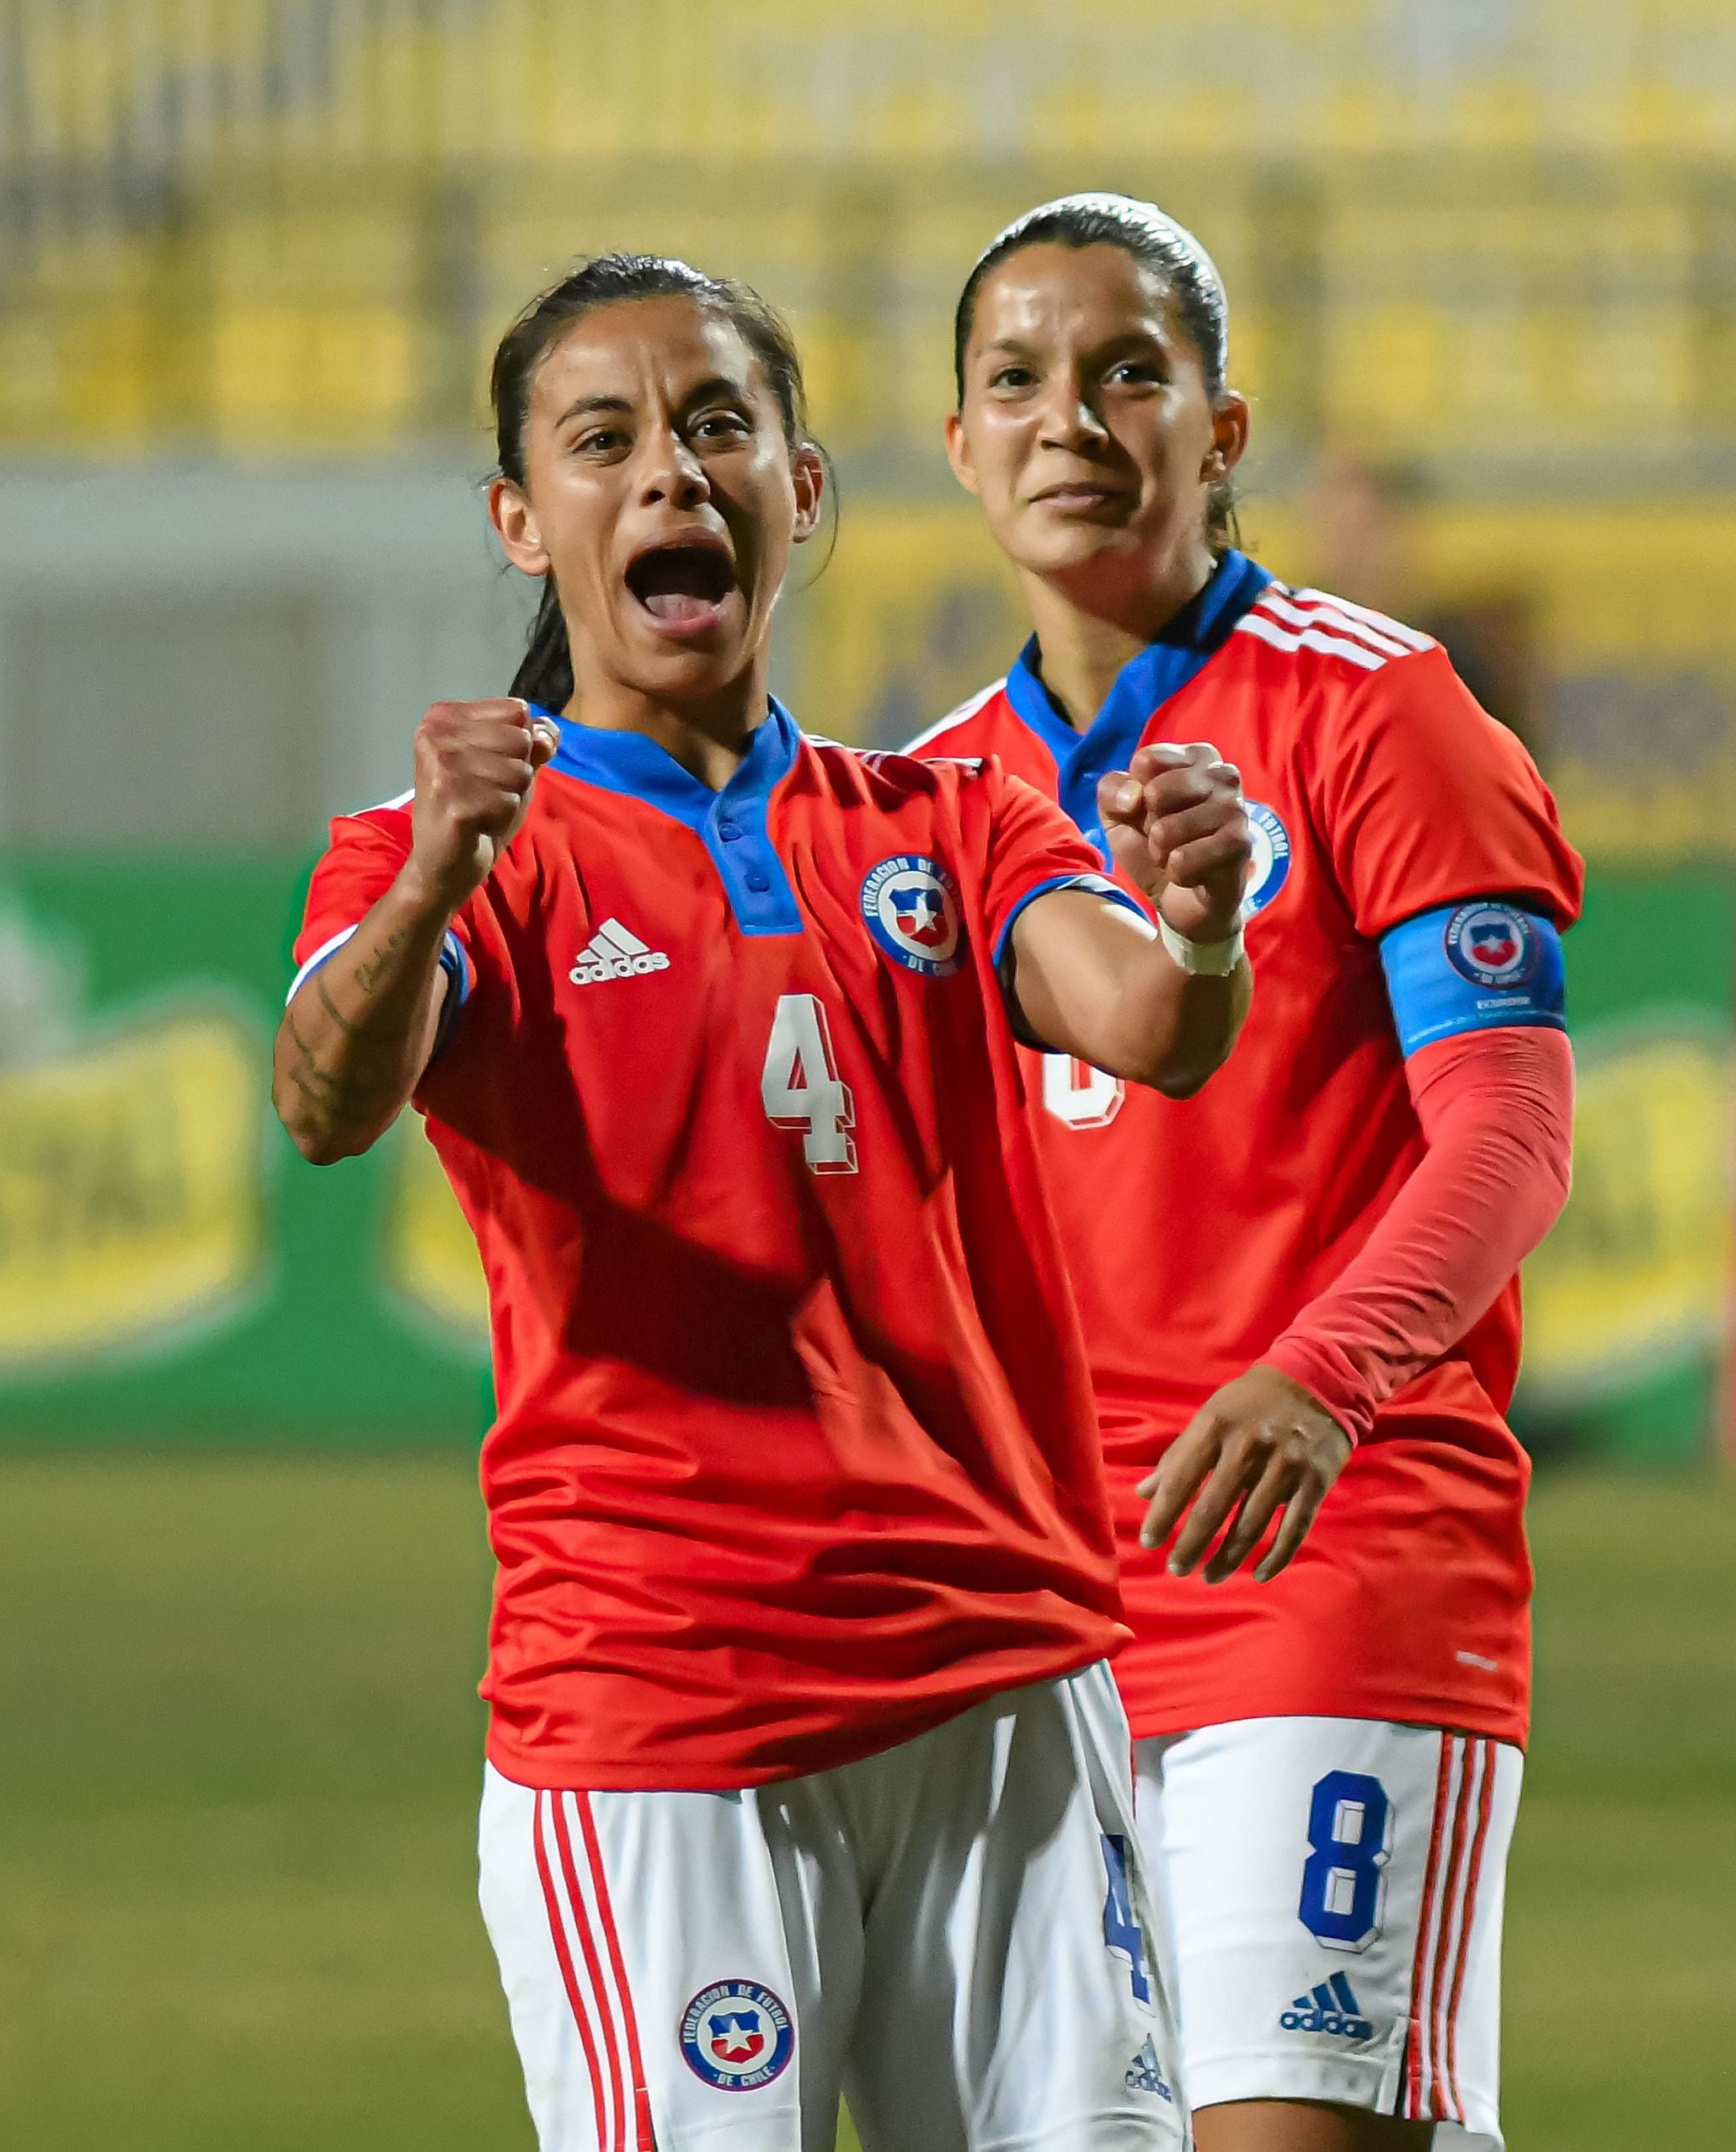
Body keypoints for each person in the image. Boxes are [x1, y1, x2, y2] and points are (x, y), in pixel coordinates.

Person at [271, 252, 1258, 2152]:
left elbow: (1150, 1025)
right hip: (669, 1718)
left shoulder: (948, 822)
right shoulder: (453, 856)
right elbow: (328, 1099)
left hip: (1007, 1687)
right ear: (518, 517)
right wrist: (423, 898)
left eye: (719, 426)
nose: (669, 473)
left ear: (802, 493)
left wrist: (1203, 928)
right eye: (604, 439)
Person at [913, 197, 1585, 2152]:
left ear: (1220, 430)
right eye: (1016, 382)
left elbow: (1510, 1130)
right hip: (1042, 1611)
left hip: (1335, 1550)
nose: (1070, 421)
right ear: (957, 450)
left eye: (1131, 371)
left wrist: (1324, 1372)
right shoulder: (938, 800)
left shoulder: (1383, 713)